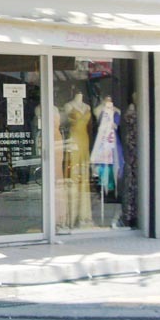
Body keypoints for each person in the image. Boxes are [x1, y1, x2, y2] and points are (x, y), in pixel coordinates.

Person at [63, 92, 93, 227]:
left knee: (84, 174)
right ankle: (72, 213)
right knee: (73, 174)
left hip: (84, 140)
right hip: (74, 139)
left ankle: (84, 214)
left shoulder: (88, 107)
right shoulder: (68, 106)